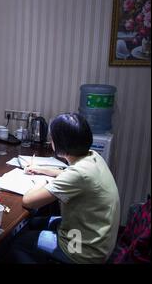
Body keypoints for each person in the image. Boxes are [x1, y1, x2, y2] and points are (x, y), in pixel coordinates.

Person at [6, 113, 120, 264]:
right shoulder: (93, 157)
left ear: (60, 143)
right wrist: (40, 169)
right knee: (31, 223)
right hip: (97, 238)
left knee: (17, 243)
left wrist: (41, 182)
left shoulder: (78, 174)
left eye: (52, 138)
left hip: (83, 251)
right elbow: (69, 174)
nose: (50, 140)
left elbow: (28, 201)